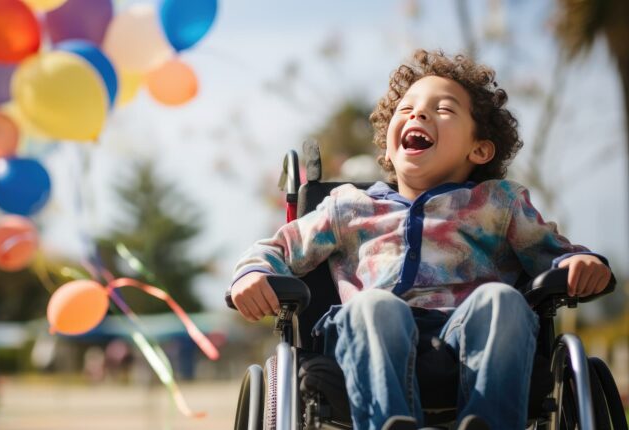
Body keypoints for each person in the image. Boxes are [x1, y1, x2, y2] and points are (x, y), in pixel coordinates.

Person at [228, 49, 612, 430]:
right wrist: (253, 274)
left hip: (470, 340)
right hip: (371, 343)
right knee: (374, 306)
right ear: (388, 148)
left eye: (443, 109)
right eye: (406, 109)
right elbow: (278, 249)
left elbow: (555, 253)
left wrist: (578, 263)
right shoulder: (349, 206)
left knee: (502, 300)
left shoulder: (498, 203)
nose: (418, 114)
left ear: (479, 148)